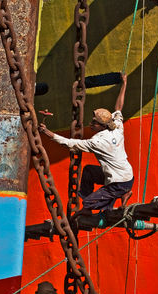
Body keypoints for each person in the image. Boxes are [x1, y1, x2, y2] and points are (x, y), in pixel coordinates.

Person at [39, 73, 133, 214]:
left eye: (94, 122)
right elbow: (119, 107)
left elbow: (69, 143)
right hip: (127, 176)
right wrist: (124, 84)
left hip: (118, 183)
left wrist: (47, 133)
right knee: (89, 171)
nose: (91, 123)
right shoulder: (117, 126)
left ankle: (113, 199)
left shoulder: (98, 142)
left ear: (102, 126)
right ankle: (120, 195)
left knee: (88, 203)